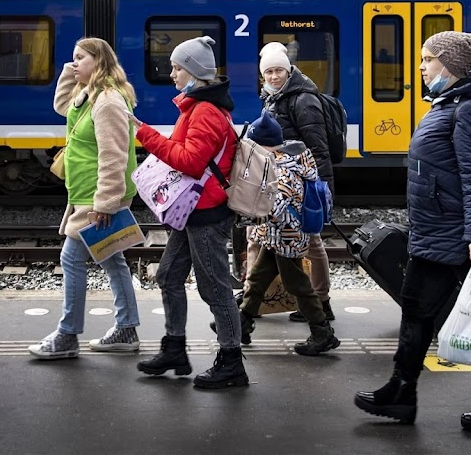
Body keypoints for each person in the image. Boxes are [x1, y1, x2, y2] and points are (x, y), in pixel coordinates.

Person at [353, 31, 471, 434]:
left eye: (427, 60)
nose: (421, 67)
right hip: (438, 232)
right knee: (415, 309)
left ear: (450, 66)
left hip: (465, 236)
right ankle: (401, 390)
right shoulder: (452, 104)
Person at [129, 36, 248, 390]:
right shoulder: (196, 107)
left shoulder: (206, 112)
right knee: (168, 275)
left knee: (215, 289)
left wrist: (145, 134)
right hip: (191, 208)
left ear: (194, 72)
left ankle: (232, 363)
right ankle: (174, 349)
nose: (172, 74)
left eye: (177, 67)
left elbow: (191, 162)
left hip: (207, 213)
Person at [28, 37, 141, 359]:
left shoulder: (107, 102)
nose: (74, 62)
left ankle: (67, 335)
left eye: (80, 58)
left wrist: (105, 203)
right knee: (112, 257)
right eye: (72, 57)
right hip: (85, 192)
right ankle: (126, 329)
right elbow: (63, 106)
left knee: (71, 258)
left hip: (98, 196)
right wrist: (72, 70)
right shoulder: (90, 96)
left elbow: (114, 155)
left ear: (100, 62)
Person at [231, 111, 340, 356]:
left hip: (287, 236)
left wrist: (250, 213)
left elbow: (277, 206)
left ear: (262, 145)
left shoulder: (283, 168)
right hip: (276, 236)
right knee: (258, 278)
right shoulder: (281, 160)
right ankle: (242, 324)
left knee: (297, 283)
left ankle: (322, 332)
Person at [256, 41, 335, 322]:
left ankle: (321, 302)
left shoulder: (302, 99)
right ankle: (261, 299)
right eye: (269, 72)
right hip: (283, 185)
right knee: (276, 241)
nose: (274, 76)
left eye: (279, 70)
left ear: (288, 72)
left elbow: (318, 147)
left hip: (301, 185)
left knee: (311, 242)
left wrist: (322, 193)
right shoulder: (274, 97)